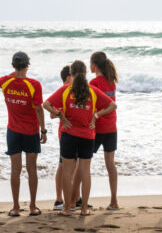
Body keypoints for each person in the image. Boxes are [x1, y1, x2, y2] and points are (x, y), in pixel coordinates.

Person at [43, 60, 117, 216]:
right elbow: (112, 105)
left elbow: (46, 104)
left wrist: (61, 116)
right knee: (85, 172)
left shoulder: (66, 90)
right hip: (87, 136)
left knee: (68, 172)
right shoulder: (92, 91)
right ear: (85, 73)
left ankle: (67, 208)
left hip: (68, 135)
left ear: (71, 74)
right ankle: (84, 209)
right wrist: (96, 115)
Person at [0, 51, 47, 217]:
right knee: (32, 169)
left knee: (15, 170)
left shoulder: (6, 82)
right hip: (30, 131)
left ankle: (16, 208)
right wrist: (43, 130)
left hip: (13, 131)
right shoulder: (34, 84)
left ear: (13, 66)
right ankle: (32, 207)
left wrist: (13, 75)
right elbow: (38, 108)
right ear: (28, 66)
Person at [89, 51, 120, 210]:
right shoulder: (111, 82)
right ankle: (114, 201)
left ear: (94, 65)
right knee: (110, 164)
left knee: (84, 162)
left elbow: (92, 107)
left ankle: (76, 200)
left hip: (98, 127)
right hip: (111, 127)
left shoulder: (94, 83)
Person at [51, 65, 82, 211]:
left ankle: (75, 198)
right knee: (64, 165)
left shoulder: (72, 91)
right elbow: (51, 112)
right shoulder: (64, 90)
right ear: (69, 77)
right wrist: (62, 115)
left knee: (71, 165)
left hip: (73, 133)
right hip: (65, 133)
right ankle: (60, 199)